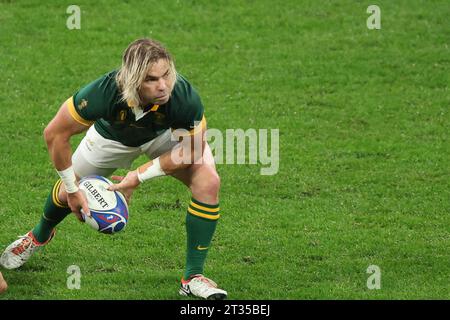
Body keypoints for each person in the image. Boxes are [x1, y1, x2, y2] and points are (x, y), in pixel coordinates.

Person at [0, 38, 227, 300]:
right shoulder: (104, 92)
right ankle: (38, 235)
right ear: (132, 79)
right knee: (66, 192)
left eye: (166, 74)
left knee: (208, 182)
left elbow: (192, 150)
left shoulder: (184, 97)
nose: (163, 85)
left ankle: (192, 278)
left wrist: (138, 176)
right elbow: (55, 134)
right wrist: (74, 190)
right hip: (111, 138)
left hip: (166, 136)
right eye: (151, 79)